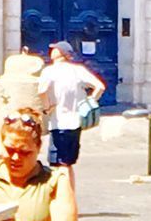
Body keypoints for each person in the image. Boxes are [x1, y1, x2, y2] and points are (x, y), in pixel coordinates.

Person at [37, 41, 106, 181]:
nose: (51, 51)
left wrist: (47, 108)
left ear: (61, 53)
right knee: (68, 164)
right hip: (75, 122)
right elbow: (100, 87)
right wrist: (90, 102)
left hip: (58, 122)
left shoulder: (49, 71)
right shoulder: (78, 70)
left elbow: (42, 91)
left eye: (54, 49)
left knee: (57, 164)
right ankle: (70, 191)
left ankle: (61, 194)